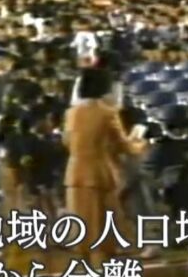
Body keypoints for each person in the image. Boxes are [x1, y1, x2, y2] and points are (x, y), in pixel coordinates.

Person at [63, 68, 147, 265]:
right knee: (102, 227)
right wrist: (140, 143)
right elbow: (124, 145)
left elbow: (67, 141)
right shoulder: (107, 113)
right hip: (100, 174)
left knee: (83, 226)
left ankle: (87, 269)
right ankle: (103, 267)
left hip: (75, 172)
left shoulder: (71, 113)